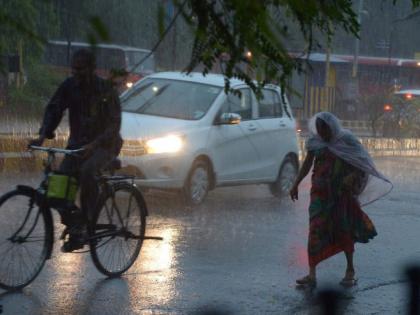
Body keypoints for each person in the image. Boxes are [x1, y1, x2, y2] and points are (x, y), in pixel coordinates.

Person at [29, 49, 123, 252]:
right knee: (58, 187)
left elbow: (114, 124)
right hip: (77, 146)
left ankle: (88, 220)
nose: (76, 73)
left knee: (88, 171)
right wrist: (43, 135)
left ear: (91, 69)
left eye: (81, 69)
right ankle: (76, 225)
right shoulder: (69, 86)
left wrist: (95, 144)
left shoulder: (105, 89)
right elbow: (54, 108)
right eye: (74, 69)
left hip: (106, 146)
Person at [289, 112, 392, 287]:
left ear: (332, 127)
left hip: (341, 195)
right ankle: (312, 274)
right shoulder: (315, 142)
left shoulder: (346, 140)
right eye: (320, 130)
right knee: (315, 230)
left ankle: (350, 270)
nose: (323, 134)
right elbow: (307, 164)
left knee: (343, 229)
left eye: (325, 129)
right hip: (320, 195)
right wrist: (296, 183)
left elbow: (362, 163)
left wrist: (351, 177)